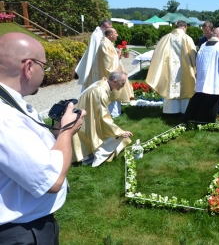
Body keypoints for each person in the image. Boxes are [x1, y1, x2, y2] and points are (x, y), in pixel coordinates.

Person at [0, 33, 86, 242]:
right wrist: (66, 131)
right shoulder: (5, 117)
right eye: (44, 67)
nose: (45, 73)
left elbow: (32, 152)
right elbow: (52, 181)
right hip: (21, 232)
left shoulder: (11, 103)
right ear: (29, 67)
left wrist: (57, 131)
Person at [72, 70, 133, 167]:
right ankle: (95, 155)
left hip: (85, 115)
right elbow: (104, 118)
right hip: (84, 118)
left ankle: (90, 153)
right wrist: (120, 132)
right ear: (115, 81)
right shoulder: (101, 93)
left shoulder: (102, 84)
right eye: (122, 83)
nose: (123, 85)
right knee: (117, 137)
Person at [183, 28, 219, 123]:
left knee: (199, 103)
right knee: (210, 108)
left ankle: (193, 120)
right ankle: (207, 122)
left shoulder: (203, 45)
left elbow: (198, 62)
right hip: (214, 82)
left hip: (202, 81)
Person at [146, 20, 197, 114]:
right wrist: (195, 67)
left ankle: (170, 111)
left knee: (170, 86)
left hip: (169, 68)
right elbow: (193, 54)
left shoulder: (166, 38)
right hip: (184, 70)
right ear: (184, 27)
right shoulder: (187, 38)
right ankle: (183, 110)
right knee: (185, 87)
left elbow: (158, 53)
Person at [84, 28, 135, 118]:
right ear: (111, 34)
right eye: (116, 33)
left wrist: (117, 55)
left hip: (112, 72)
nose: (117, 35)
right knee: (112, 93)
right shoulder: (104, 44)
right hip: (109, 74)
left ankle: (115, 112)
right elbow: (108, 62)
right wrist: (117, 55)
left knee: (116, 92)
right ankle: (113, 113)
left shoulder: (107, 43)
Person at [198, 21, 219, 122]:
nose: (206, 35)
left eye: (208, 33)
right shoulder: (202, 41)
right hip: (207, 71)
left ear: (212, 31)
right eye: (204, 33)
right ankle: (206, 111)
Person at [75, 19, 112, 91]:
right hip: (94, 63)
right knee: (92, 83)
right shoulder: (96, 36)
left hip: (99, 61)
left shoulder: (102, 34)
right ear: (102, 26)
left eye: (110, 28)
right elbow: (96, 51)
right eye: (107, 28)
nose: (109, 30)